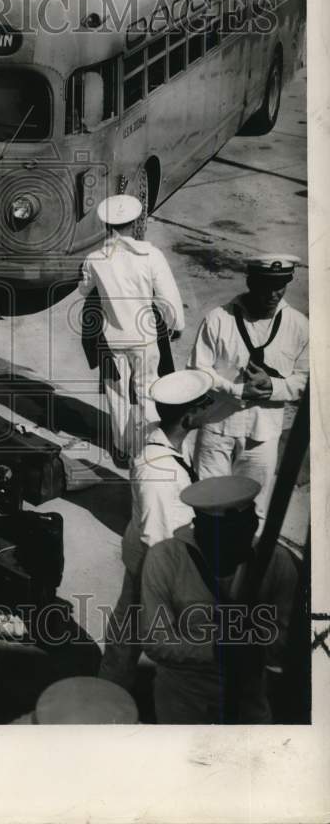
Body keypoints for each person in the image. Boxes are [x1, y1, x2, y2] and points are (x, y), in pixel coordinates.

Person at [139, 475, 297, 724]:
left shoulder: (276, 561)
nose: (243, 546)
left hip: (248, 697)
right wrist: (216, 651)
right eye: (230, 536)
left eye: (249, 530)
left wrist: (255, 649)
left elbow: (288, 640)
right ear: (200, 528)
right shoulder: (165, 558)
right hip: (183, 697)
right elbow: (155, 641)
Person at [99, 368, 217, 690]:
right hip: (155, 565)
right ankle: (110, 699)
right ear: (188, 417)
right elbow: (157, 537)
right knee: (143, 638)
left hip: (157, 556)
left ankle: (112, 686)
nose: (208, 408)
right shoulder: (158, 472)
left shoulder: (168, 441)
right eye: (203, 404)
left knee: (126, 632)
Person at [188, 255, 308, 520]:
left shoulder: (298, 325)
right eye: (266, 285)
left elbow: (306, 379)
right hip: (217, 428)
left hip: (262, 434)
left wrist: (273, 387)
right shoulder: (218, 319)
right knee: (208, 503)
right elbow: (198, 372)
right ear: (251, 282)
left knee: (254, 510)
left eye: (281, 285)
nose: (274, 293)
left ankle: (245, 560)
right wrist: (238, 391)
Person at [77, 194, 185, 464]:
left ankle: (123, 449)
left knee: (117, 394)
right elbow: (167, 295)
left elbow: (83, 289)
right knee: (148, 390)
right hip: (145, 338)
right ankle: (150, 447)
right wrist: (176, 325)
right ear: (136, 222)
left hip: (112, 339)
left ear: (107, 225)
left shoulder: (95, 258)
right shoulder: (151, 255)